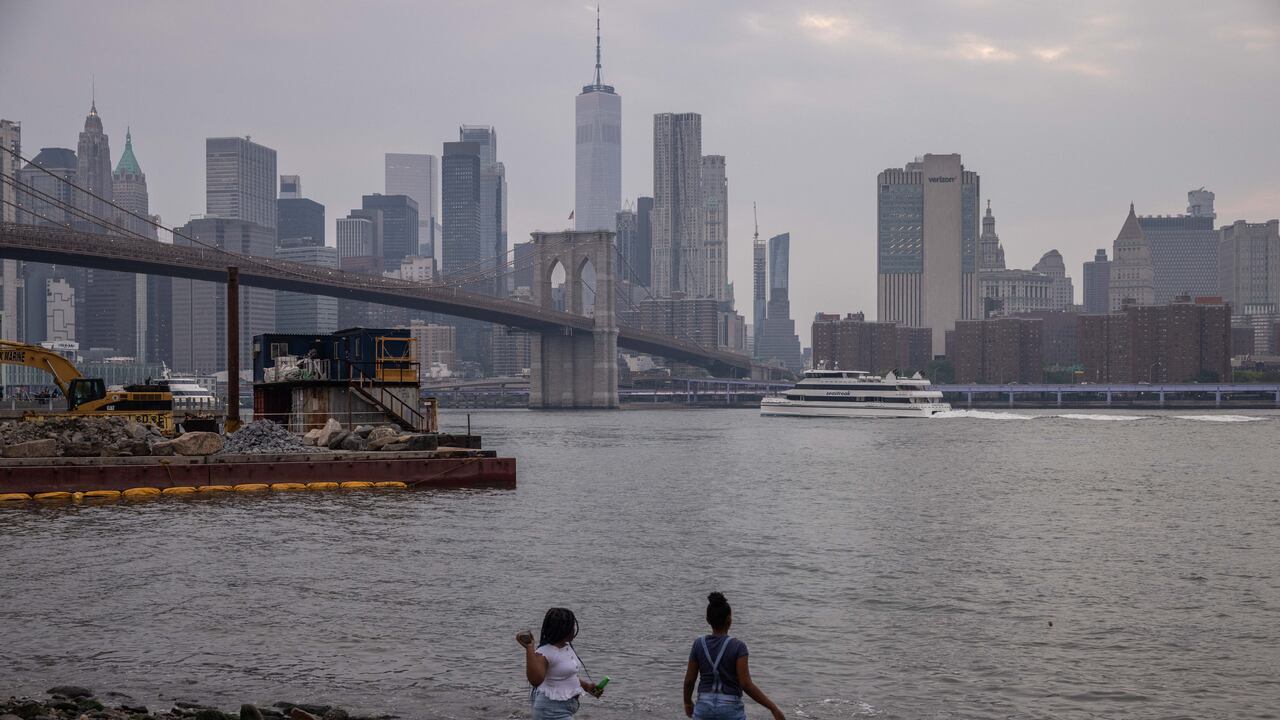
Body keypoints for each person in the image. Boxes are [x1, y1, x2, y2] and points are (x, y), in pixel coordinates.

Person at [683, 592, 785, 720]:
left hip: (704, 706)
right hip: (730, 708)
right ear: (729, 620)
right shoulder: (738, 646)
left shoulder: (698, 644)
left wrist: (687, 702)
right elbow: (746, 685)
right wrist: (773, 708)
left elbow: (689, 681)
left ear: (707, 620)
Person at [517, 607, 603, 720]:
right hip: (551, 712)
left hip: (562, 710)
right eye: (572, 626)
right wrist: (529, 648)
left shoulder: (566, 647)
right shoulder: (544, 652)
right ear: (564, 629)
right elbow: (535, 680)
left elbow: (565, 676)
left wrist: (587, 687)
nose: (574, 629)